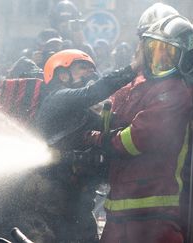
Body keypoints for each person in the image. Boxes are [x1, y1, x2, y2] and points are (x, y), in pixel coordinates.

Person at [84, 15, 193, 243]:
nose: (159, 58)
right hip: (120, 207)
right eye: (154, 50)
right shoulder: (139, 85)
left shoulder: (174, 93)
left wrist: (93, 139)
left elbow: (134, 139)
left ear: (186, 60)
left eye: (168, 53)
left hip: (154, 209)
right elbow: (114, 117)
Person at [31, 48, 143, 242]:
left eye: (91, 69)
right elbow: (92, 92)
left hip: (76, 196)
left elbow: (112, 128)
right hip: (51, 196)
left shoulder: (83, 113)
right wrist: (134, 67)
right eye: (83, 68)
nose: (90, 74)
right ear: (62, 74)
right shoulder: (58, 99)